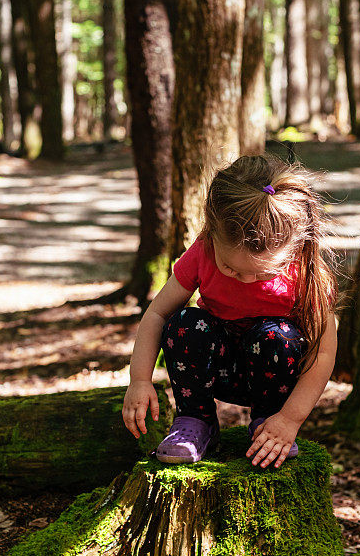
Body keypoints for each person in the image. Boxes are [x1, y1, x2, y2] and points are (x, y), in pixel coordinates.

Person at [122, 152, 339, 469]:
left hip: (271, 377)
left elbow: (322, 354)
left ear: (294, 248)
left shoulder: (306, 273)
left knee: (279, 336)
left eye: (263, 274)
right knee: (183, 323)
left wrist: (289, 419)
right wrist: (139, 380)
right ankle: (196, 421)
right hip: (213, 369)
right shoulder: (204, 252)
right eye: (231, 269)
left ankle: (267, 426)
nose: (247, 279)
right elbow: (156, 314)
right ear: (211, 232)